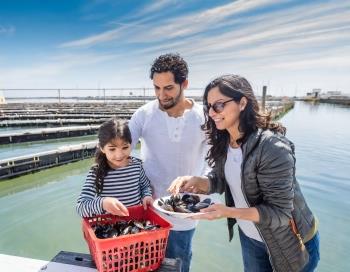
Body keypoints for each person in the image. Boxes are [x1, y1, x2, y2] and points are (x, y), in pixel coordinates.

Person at [168, 74, 320, 272]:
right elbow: (223, 179)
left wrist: (228, 212)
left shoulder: (272, 147)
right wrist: (198, 181)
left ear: (242, 103)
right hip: (251, 238)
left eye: (219, 105)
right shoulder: (224, 140)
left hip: (289, 243)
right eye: (208, 106)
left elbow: (280, 213)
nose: (212, 112)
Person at [128, 53, 209, 272]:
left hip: (184, 213)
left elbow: (216, 160)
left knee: (177, 267)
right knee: (141, 266)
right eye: (156, 88)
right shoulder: (143, 115)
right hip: (147, 210)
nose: (161, 95)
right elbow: (117, 152)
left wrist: (203, 181)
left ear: (185, 84)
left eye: (169, 88)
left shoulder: (205, 117)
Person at [76, 118, 153, 218]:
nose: (119, 155)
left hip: (135, 222)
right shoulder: (96, 172)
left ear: (131, 145)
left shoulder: (137, 166)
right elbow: (81, 206)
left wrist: (147, 196)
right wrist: (103, 203)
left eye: (125, 147)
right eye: (112, 149)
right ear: (102, 148)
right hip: (109, 226)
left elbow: (145, 186)